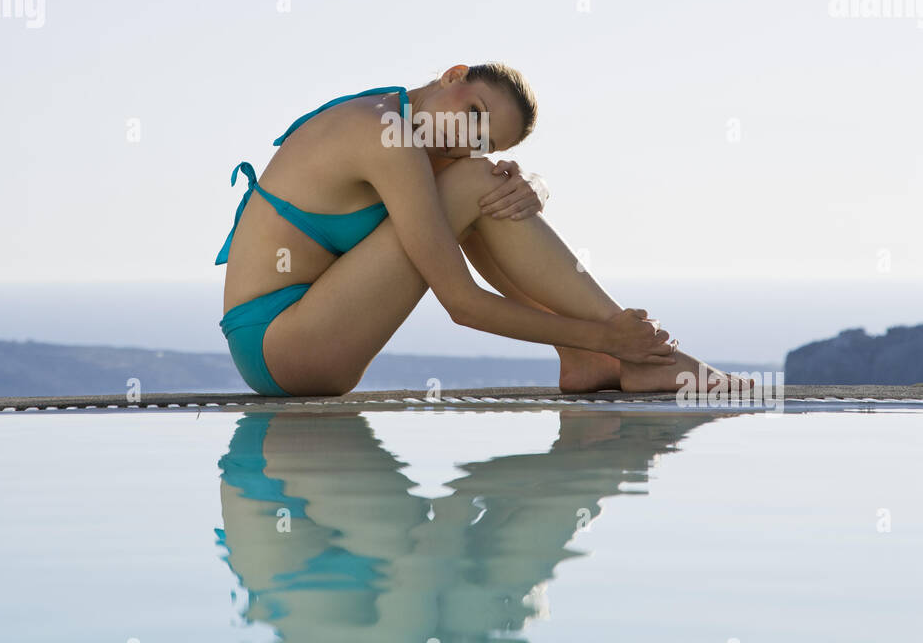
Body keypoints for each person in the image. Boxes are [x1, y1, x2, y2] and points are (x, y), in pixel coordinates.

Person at [216, 62, 746, 398]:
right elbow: (462, 305)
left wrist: (534, 184)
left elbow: (482, 186)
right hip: (281, 345)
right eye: (473, 112)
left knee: (478, 186)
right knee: (474, 185)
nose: (467, 136)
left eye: (483, 139)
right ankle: (626, 353)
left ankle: (593, 359)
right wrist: (608, 336)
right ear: (453, 74)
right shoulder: (387, 135)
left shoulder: (423, 137)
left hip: (302, 345)